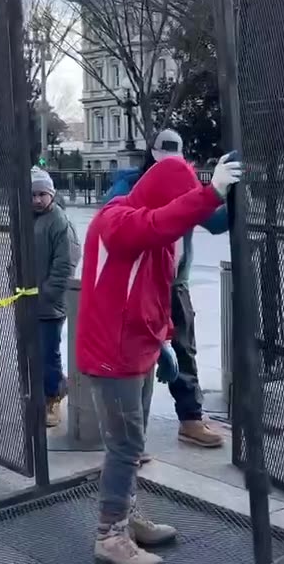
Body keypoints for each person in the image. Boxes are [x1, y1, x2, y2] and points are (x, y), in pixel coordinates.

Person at [78, 153, 241, 564]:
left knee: (132, 443)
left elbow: (154, 292)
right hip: (112, 354)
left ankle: (125, 515)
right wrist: (212, 191)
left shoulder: (160, 239)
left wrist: (163, 340)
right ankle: (109, 534)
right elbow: (157, 224)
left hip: (138, 348)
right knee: (125, 444)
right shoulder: (116, 220)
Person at [102, 129, 229, 449]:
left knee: (184, 350)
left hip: (174, 283)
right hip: (140, 284)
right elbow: (109, 213)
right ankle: (131, 437)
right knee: (136, 358)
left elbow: (215, 222)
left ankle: (190, 418)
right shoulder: (130, 184)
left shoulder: (183, 181)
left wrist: (236, 191)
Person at [30, 167, 78, 427]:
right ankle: (45, 390)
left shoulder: (59, 221)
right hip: (29, 300)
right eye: (33, 194)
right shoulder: (30, 219)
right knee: (33, 350)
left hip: (48, 304)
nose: (37, 199)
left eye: (42, 194)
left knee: (49, 353)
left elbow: (65, 263)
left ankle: (53, 397)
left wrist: (48, 293)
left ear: (51, 194)